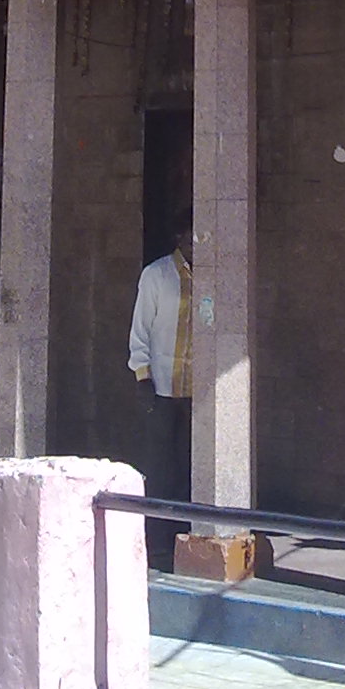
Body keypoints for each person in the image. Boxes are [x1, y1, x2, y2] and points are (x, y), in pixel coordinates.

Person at [128, 209, 192, 566]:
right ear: (179, 237)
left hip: (197, 389)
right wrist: (143, 376)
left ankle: (184, 536)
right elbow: (141, 329)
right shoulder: (157, 275)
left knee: (188, 466)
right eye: (190, 236)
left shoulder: (212, 274)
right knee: (161, 467)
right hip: (162, 386)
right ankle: (156, 540)